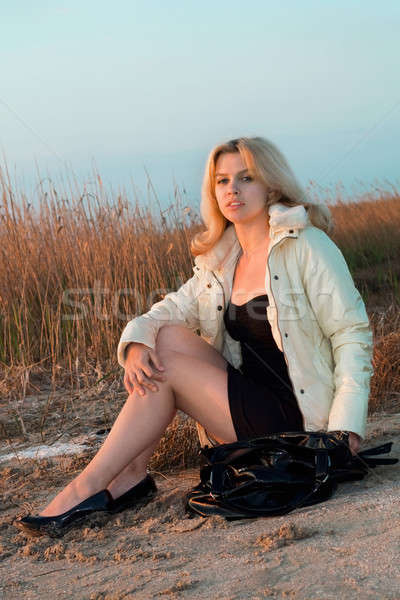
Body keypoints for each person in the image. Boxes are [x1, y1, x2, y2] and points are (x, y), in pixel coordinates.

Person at [15, 136, 373, 537]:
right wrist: (136, 343)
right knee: (164, 337)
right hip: (248, 405)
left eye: (246, 178)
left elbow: (351, 334)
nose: (232, 190)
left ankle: (87, 487)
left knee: (168, 369)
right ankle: (132, 473)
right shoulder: (223, 257)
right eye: (222, 181)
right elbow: (166, 311)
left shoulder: (306, 245)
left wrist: (346, 429)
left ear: (271, 185)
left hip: (298, 424)